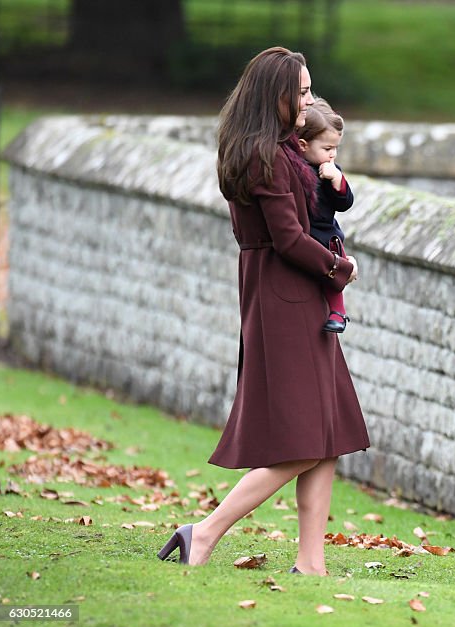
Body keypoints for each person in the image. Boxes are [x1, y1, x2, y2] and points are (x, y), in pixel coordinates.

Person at [156, 47, 370, 575]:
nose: (307, 99)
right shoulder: (266, 157)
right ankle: (203, 532)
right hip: (284, 297)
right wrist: (338, 270)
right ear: (273, 95)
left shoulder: (278, 148)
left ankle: (311, 563)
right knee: (302, 442)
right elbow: (289, 239)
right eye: (299, 91)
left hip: (295, 295)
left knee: (327, 437)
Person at [297, 98, 353, 333]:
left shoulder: (331, 172)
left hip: (326, 232)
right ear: (303, 145)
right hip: (305, 232)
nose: (333, 155)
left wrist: (338, 182)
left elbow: (345, 203)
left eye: (336, 149)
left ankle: (338, 311)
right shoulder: (295, 169)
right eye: (327, 149)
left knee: (333, 273)